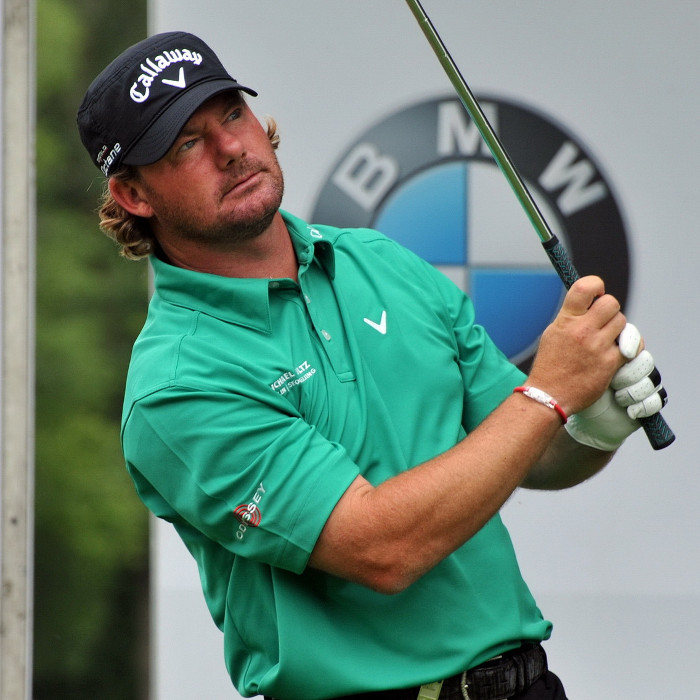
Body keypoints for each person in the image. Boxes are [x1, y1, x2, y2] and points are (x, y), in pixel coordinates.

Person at [77, 31, 666, 700]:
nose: (230, 149)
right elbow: (381, 550)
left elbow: (530, 452)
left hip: (525, 683)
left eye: (233, 114)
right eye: (187, 144)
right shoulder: (176, 386)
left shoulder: (378, 261)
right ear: (134, 195)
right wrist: (548, 395)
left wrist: (590, 426)